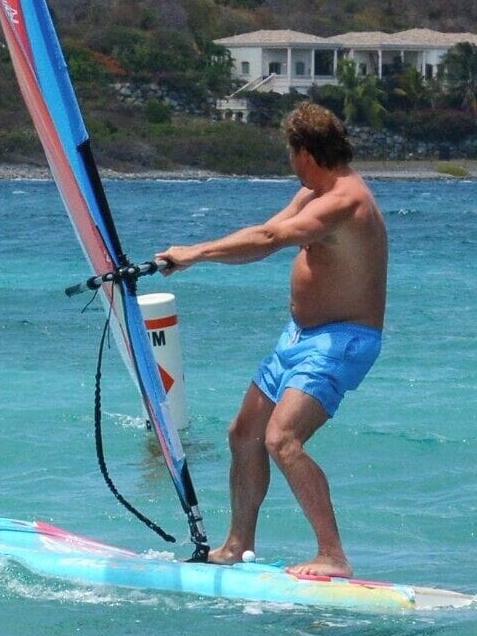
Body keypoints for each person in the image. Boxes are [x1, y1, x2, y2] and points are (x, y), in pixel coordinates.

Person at [155, 102, 386, 578]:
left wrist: (193, 254)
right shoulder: (312, 193)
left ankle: (333, 556)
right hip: (298, 338)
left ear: (303, 151)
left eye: (289, 151)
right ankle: (238, 544)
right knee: (245, 433)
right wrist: (190, 255)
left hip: (339, 341)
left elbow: (267, 239)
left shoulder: (345, 201)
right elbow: (266, 231)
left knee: (282, 438)